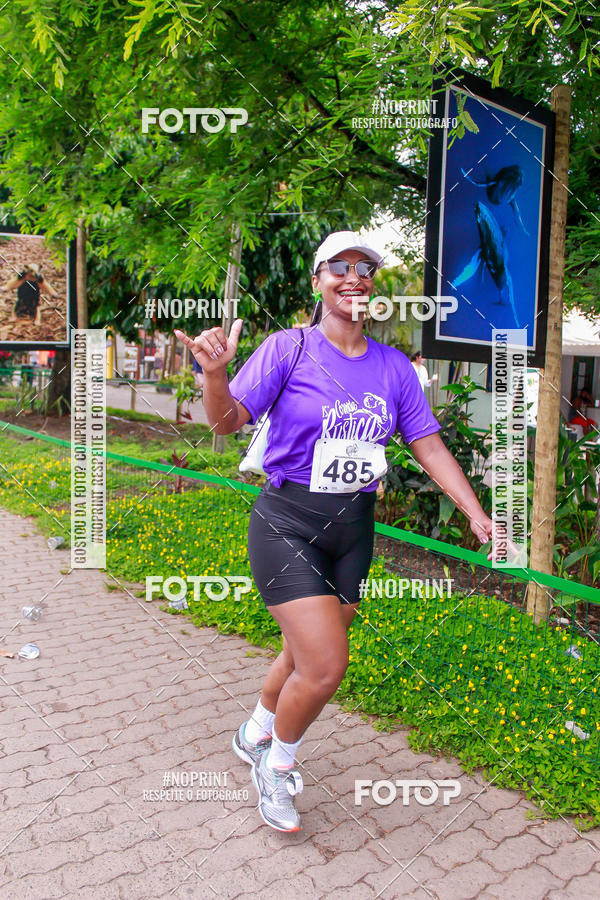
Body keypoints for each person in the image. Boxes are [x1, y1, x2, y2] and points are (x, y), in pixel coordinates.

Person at [174, 230, 494, 834]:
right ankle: (275, 764)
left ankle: (253, 730)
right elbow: (223, 423)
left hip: (353, 529)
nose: (355, 278)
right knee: (324, 666)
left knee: (302, 649)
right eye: (340, 268)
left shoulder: (395, 367)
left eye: (365, 269)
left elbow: (426, 442)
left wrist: (474, 511)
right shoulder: (287, 348)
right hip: (287, 521)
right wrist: (214, 377)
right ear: (318, 280)